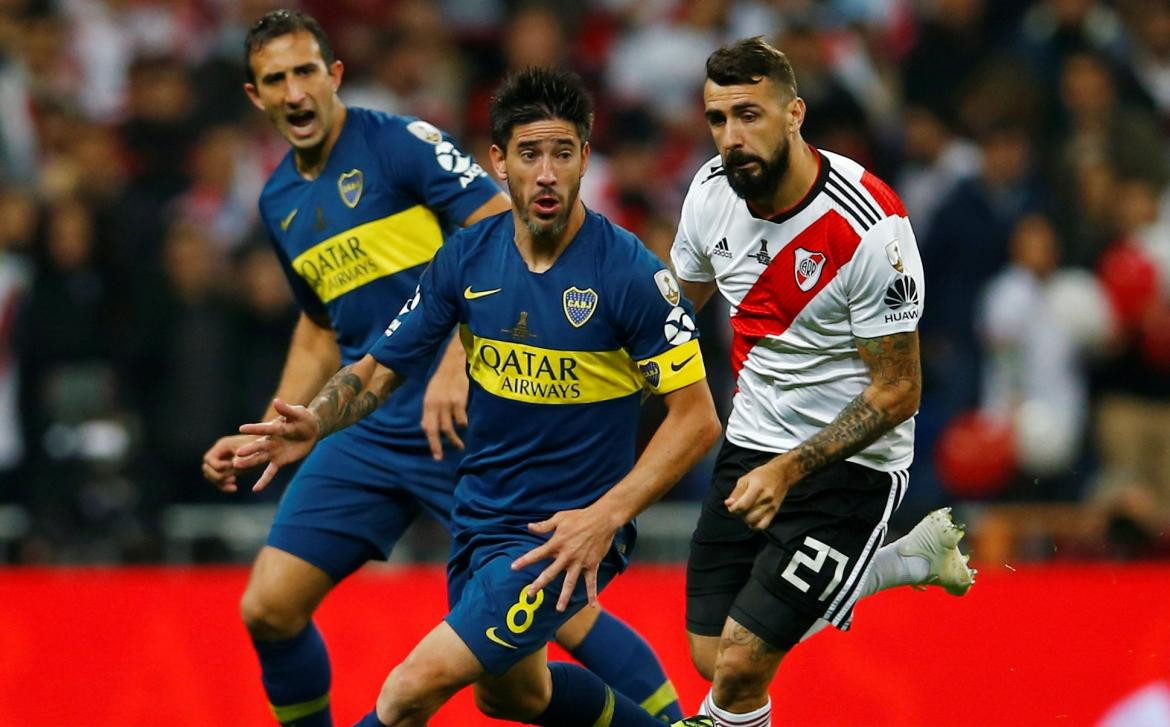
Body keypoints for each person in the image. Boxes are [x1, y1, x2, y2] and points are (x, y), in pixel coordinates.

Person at [203, 11, 686, 726]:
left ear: (334, 76)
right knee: (268, 607)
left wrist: (459, 361)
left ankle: (679, 716)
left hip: (459, 416)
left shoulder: (402, 144)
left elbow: (499, 226)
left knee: (562, 614)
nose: (295, 91)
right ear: (256, 96)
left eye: (306, 71)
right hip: (365, 418)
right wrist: (275, 422)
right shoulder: (280, 200)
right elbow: (318, 322)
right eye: (277, 79)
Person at [669, 38, 977, 725]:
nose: (731, 137)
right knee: (709, 653)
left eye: (749, 114)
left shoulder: (872, 227)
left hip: (852, 467)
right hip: (751, 441)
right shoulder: (710, 192)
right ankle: (907, 562)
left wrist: (788, 469)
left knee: (742, 668)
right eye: (718, 119)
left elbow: (899, 391)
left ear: (794, 114)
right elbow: (677, 304)